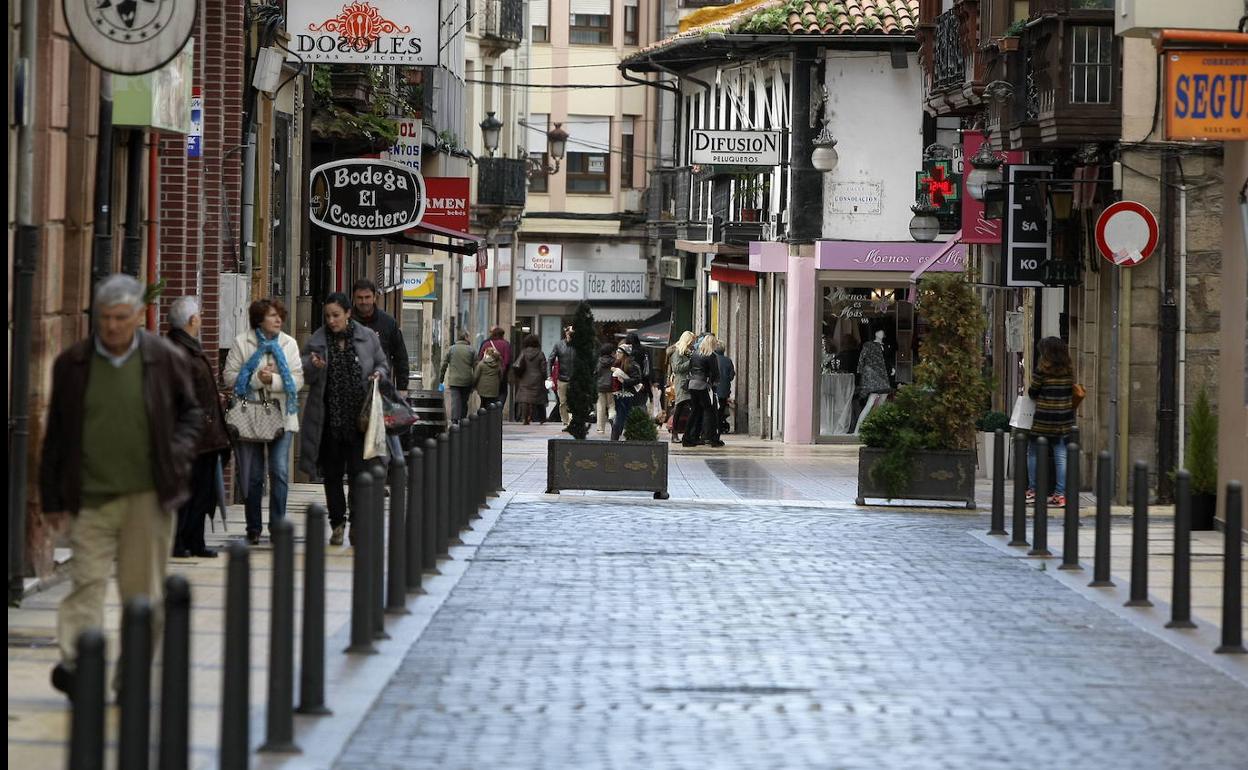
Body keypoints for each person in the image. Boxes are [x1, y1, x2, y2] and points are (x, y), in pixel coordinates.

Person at [41, 274, 203, 699]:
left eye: (120, 318)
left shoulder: (164, 358)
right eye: (104, 318)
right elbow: (56, 433)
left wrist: (178, 454)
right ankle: (80, 668)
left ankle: (129, 675)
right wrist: (53, 498)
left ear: (137, 317)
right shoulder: (73, 364)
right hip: (92, 498)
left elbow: (193, 416)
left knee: (143, 596)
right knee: (85, 584)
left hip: (149, 498)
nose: (111, 326)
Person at [300, 293, 388, 546]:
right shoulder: (318, 340)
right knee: (332, 476)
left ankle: (357, 525)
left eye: (336, 315)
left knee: (361, 477)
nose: (331, 320)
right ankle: (337, 523)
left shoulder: (367, 337)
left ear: (348, 313)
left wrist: (378, 375)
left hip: (360, 422)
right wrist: (313, 365)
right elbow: (304, 372)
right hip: (328, 422)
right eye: (327, 316)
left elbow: (383, 364)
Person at [224, 298, 303, 545]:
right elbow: (229, 378)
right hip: (250, 416)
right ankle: (254, 527)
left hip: (281, 416)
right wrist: (258, 378)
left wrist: (274, 381)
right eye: (272, 315)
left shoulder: (289, 344)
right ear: (259, 319)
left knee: (279, 471)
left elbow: (298, 380)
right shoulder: (242, 342)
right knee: (253, 475)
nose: (278, 319)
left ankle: (278, 526)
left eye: (280, 315)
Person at [166, 296, 230, 558]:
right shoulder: (179, 351)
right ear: (193, 320)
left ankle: (195, 540)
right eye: (200, 315)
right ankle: (180, 541)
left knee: (202, 492)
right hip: (193, 436)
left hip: (204, 436)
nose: (201, 319)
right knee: (189, 492)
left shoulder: (188, 347)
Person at [1026, 336, 1076, 506]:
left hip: (1044, 417)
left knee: (1033, 452)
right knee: (1061, 454)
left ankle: (1033, 490)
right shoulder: (1068, 370)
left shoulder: (1042, 370)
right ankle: (1060, 494)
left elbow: (1033, 392)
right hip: (1063, 417)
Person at [352, 279, 409, 395]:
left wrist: (402, 387)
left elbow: (400, 356)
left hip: (381, 389)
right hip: (351, 390)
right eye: (360, 298)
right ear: (354, 298)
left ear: (374, 298)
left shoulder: (388, 323)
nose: (363, 301)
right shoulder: (345, 322)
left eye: (367, 297)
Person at [683, 334, 724, 448]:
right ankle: (711, 438)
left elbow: (690, 368)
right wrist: (715, 384)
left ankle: (688, 437)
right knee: (710, 411)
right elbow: (715, 373)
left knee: (695, 411)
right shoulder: (711, 356)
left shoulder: (695, 354)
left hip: (692, 384)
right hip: (702, 385)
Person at [609, 344, 644, 442]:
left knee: (622, 416)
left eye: (619, 352)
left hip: (628, 394)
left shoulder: (632, 364)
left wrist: (624, 381)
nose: (617, 354)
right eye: (617, 352)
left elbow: (637, 379)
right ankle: (617, 436)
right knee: (621, 416)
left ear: (625, 354)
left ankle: (615, 438)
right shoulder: (617, 363)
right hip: (618, 394)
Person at [440, 331, 476, 422]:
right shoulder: (471, 350)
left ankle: (455, 419)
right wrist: (475, 381)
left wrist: (441, 378)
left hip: (454, 380)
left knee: (455, 401)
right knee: (464, 401)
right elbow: (476, 366)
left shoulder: (451, 349)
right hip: (467, 380)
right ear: (466, 338)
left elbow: (444, 364)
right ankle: (463, 419)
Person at [513, 334, 549, 425]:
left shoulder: (523, 352)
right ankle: (542, 418)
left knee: (525, 398)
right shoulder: (540, 353)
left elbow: (517, 364)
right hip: (538, 378)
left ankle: (525, 418)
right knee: (540, 399)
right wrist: (544, 377)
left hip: (525, 378)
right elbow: (543, 368)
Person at [668, 331, 696, 443]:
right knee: (679, 408)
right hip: (682, 384)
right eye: (692, 341)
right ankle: (674, 434)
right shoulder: (678, 352)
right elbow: (676, 368)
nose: (693, 343)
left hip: (690, 382)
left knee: (691, 408)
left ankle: (689, 433)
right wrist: (690, 362)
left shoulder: (689, 352)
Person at [478, 326, 512, 410]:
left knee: (486, 398)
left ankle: (486, 416)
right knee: (502, 393)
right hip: (501, 374)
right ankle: (498, 411)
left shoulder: (486, 344)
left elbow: (480, 358)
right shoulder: (505, 344)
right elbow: (507, 360)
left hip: (486, 375)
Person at [549, 326, 576, 427]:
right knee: (563, 402)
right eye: (569, 332)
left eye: (572, 333)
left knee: (574, 401)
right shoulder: (559, 345)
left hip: (575, 379)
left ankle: (572, 421)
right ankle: (565, 422)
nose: (570, 334)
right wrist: (549, 376)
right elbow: (550, 359)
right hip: (562, 378)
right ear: (566, 333)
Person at [625, 332, 652, 413]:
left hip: (630, 381)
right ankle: (642, 423)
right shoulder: (645, 350)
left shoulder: (628, 352)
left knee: (630, 406)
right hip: (644, 382)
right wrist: (652, 381)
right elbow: (649, 367)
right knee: (642, 404)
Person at [594, 343, 617, 435]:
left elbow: (595, 373)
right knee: (611, 405)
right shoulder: (615, 361)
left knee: (600, 407)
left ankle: (600, 428)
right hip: (612, 386)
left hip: (600, 386)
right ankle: (612, 417)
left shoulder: (598, 361)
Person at [714, 340, 735, 435]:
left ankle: (714, 428)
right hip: (724, 389)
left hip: (714, 389)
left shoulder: (712, 359)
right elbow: (731, 376)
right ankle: (719, 427)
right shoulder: (728, 360)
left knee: (713, 409)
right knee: (721, 409)